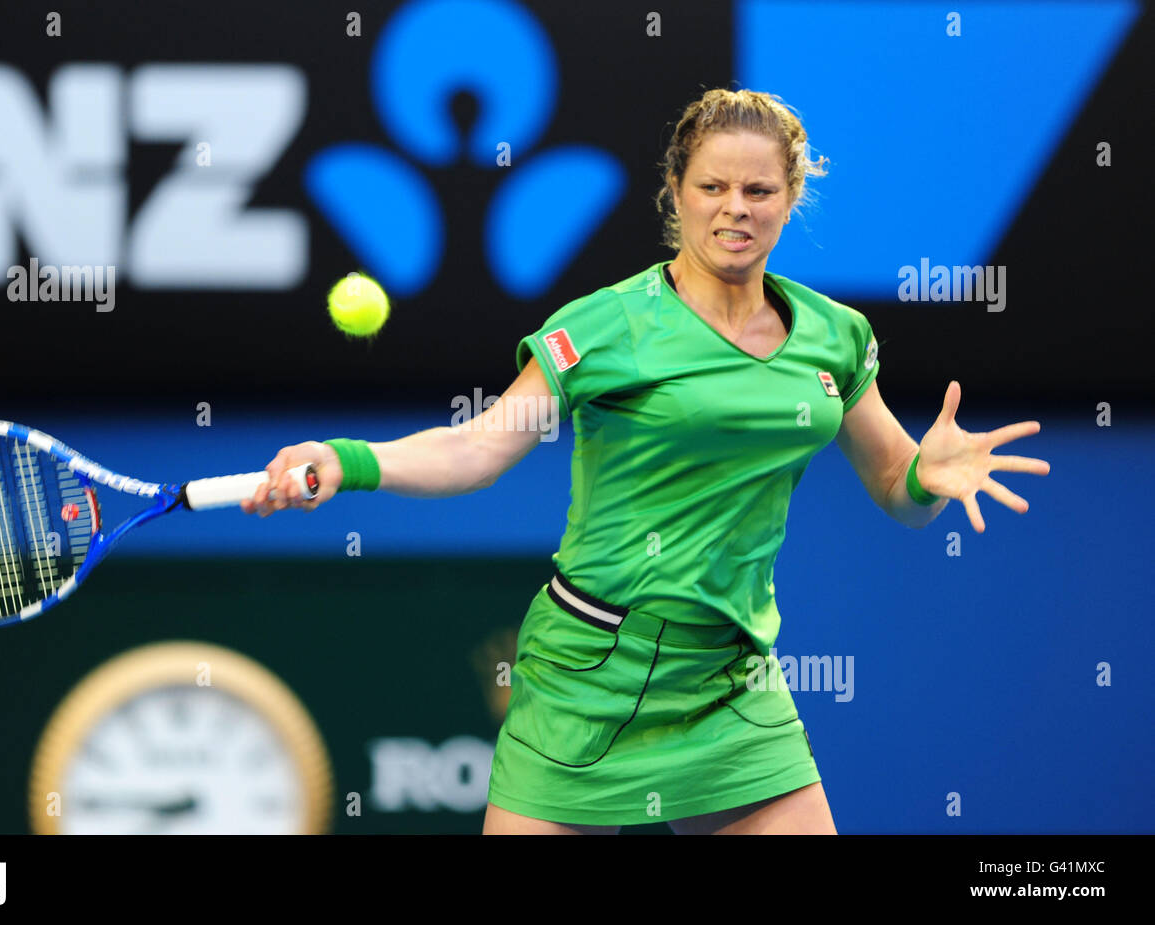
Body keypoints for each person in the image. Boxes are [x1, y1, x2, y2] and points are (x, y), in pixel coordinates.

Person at [242, 88, 1050, 835]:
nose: (735, 209)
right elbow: (479, 445)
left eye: (759, 191)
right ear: (676, 189)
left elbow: (893, 486)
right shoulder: (607, 326)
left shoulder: (835, 337)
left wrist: (926, 480)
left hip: (732, 679)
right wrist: (346, 460)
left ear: (791, 197)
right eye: (712, 187)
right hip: (587, 672)